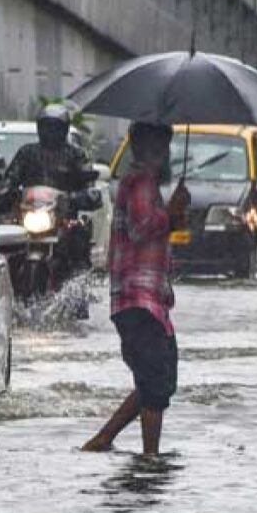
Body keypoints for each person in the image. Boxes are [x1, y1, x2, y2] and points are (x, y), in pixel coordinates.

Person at [82, 121, 190, 455]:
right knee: (156, 379)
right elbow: (143, 229)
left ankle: (105, 439)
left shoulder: (145, 183)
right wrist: (171, 214)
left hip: (149, 300)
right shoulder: (141, 181)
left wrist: (173, 217)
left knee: (158, 378)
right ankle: (150, 457)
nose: (165, 154)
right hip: (138, 301)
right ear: (146, 149)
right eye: (160, 147)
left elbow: (147, 236)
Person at [4, 104, 98, 297]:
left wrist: (83, 196)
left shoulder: (75, 155)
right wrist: (6, 191)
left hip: (63, 218)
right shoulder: (27, 153)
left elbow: (88, 184)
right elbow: (11, 177)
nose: (50, 132)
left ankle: (77, 292)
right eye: (47, 127)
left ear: (63, 130)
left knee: (79, 236)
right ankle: (7, 289)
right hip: (30, 214)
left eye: (55, 128)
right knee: (5, 242)